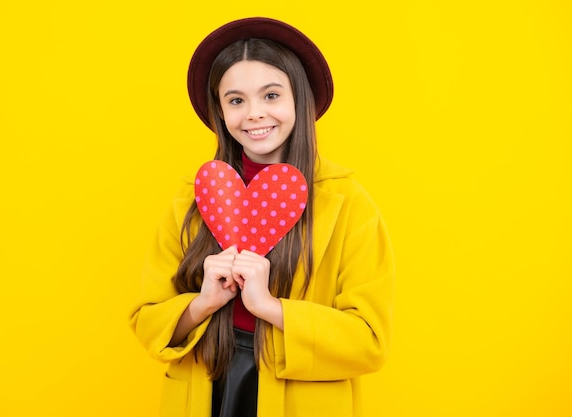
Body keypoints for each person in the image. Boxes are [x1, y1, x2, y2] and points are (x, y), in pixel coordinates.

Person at [129, 17, 394, 417]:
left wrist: (271, 307)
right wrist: (202, 303)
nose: (254, 114)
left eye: (271, 96)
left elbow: (369, 341)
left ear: (298, 100)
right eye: (236, 100)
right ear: (219, 110)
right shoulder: (190, 200)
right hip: (204, 391)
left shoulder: (349, 203)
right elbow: (147, 322)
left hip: (301, 399)